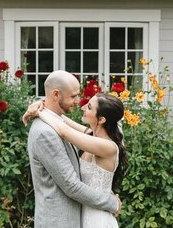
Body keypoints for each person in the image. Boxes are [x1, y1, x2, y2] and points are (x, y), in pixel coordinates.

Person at [23, 70, 122, 228]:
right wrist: (40, 107)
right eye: (73, 96)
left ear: (101, 119)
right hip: (60, 221)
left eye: (89, 106)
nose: (80, 104)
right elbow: (71, 185)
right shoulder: (45, 133)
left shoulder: (101, 143)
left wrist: (41, 110)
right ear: (56, 94)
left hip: (95, 218)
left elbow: (64, 128)